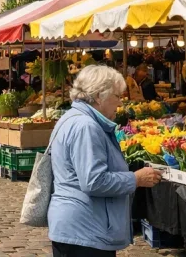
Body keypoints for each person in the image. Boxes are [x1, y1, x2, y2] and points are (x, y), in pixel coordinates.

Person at [47, 65, 162, 256]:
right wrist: (135, 179)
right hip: (86, 231)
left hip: (79, 227)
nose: (120, 102)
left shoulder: (73, 118)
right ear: (100, 96)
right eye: (117, 96)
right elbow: (94, 181)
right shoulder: (86, 126)